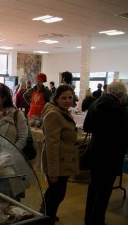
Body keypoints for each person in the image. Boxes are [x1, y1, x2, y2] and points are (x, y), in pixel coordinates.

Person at [83, 81, 128, 225]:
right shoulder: (121, 110)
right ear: (121, 95)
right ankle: (97, 220)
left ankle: (88, 218)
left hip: (96, 149)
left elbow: (86, 127)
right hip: (112, 153)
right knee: (105, 190)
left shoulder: (94, 104)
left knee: (93, 186)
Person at [40, 85, 80, 224]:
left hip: (63, 160)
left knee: (53, 193)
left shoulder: (62, 111)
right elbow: (52, 145)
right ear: (56, 99)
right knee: (57, 194)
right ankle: (47, 218)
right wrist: (53, 171)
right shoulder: (54, 114)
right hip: (58, 162)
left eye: (70, 97)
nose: (68, 100)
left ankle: (44, 214)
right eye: (64, 98)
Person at [0, 83, 28, 151]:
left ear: (4, 98)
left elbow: (22, 139)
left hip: (10, 158)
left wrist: (12, 153)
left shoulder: (17, 115)